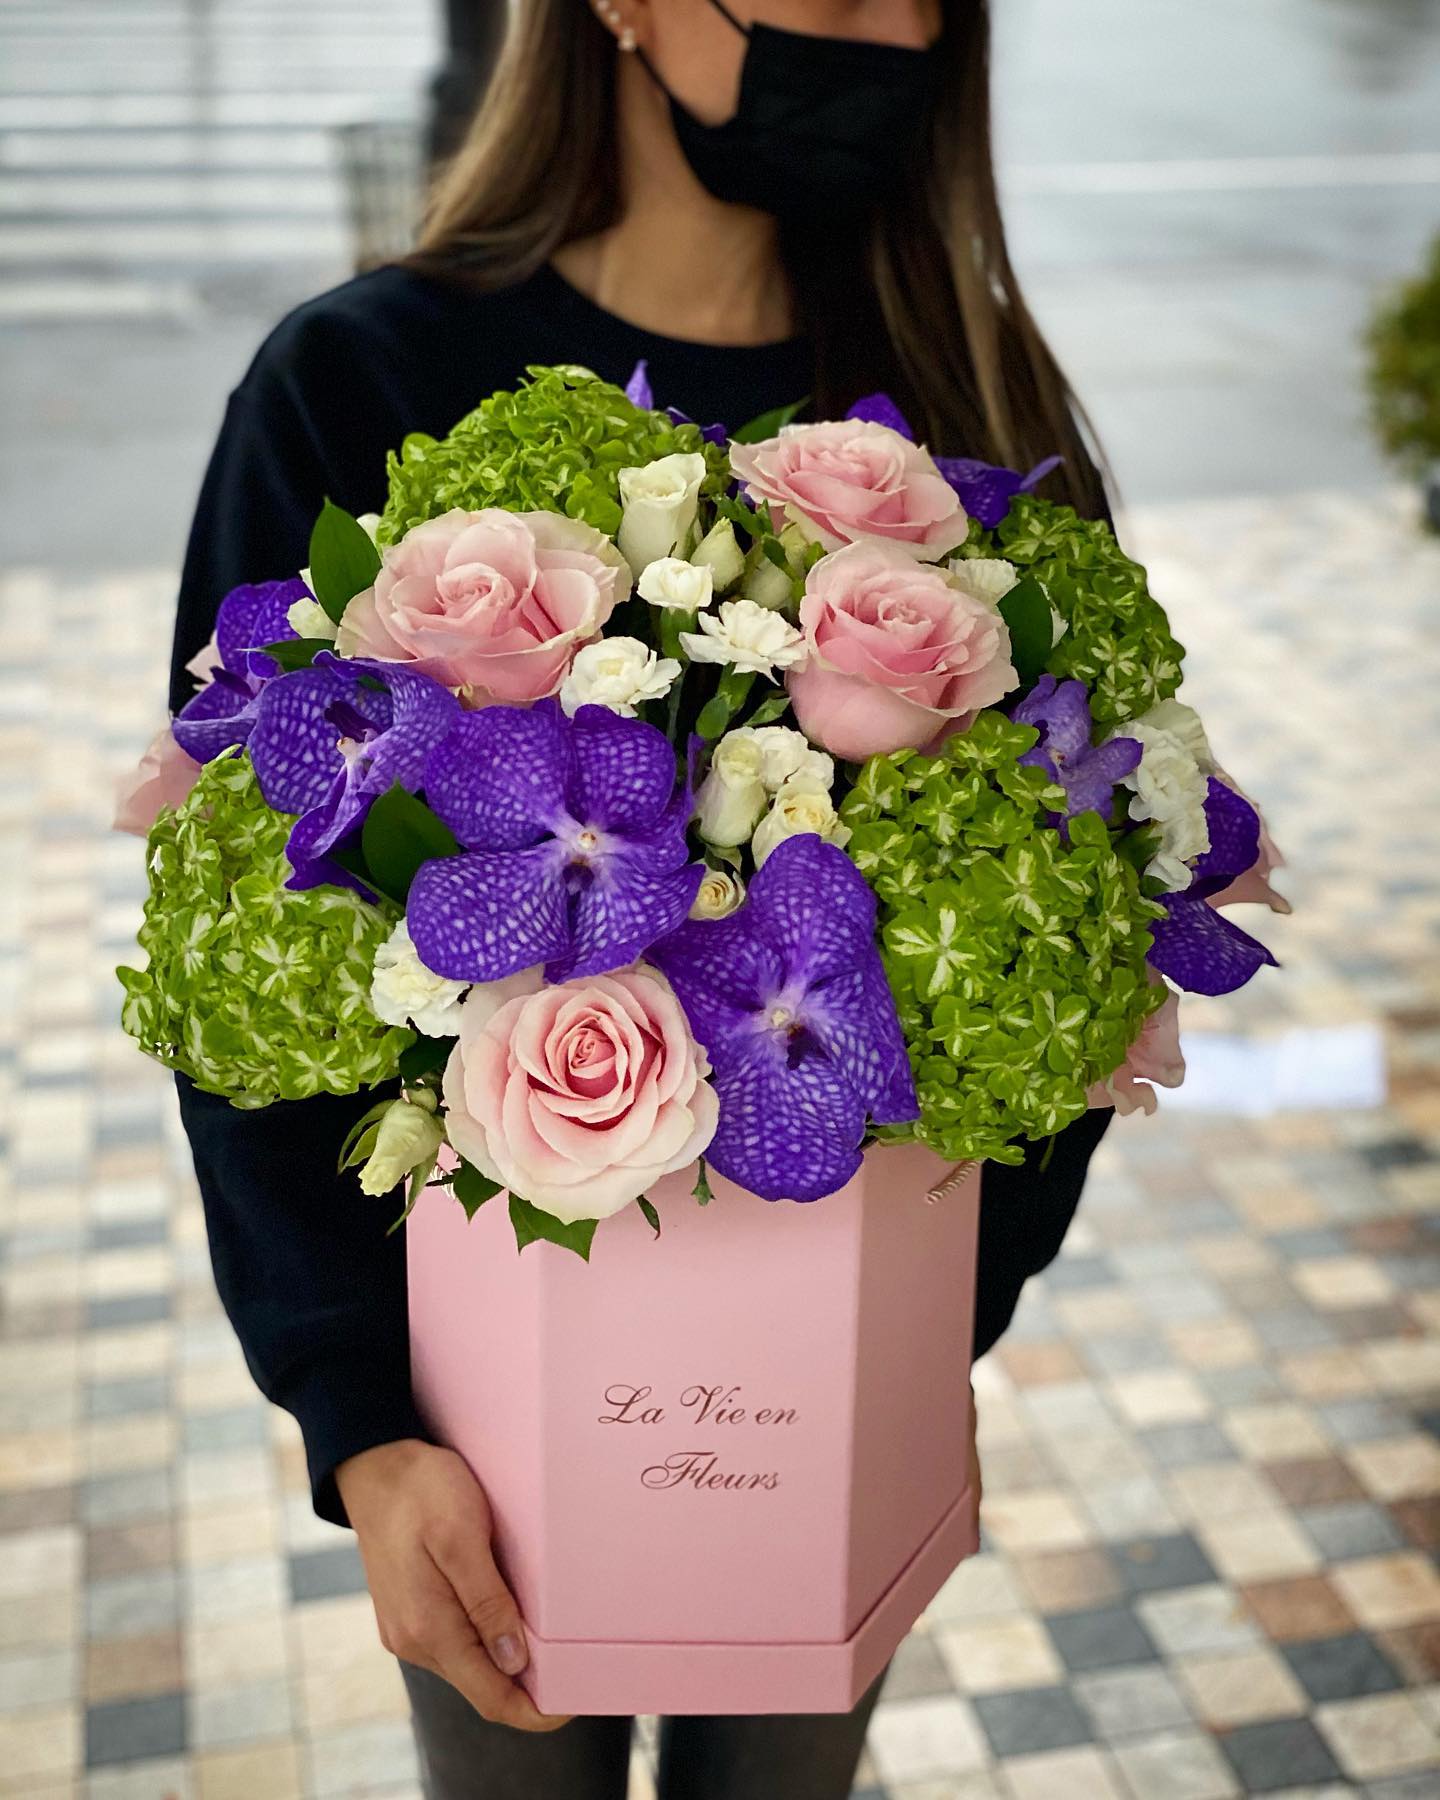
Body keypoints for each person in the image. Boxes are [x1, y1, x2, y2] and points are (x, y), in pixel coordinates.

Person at [170, 3, 1115, 1794]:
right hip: (482, 1423)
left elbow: (1088, 928)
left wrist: (934, 1332)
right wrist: (363, 1424)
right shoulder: (358, 380)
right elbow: (250, 949)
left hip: (838, 1391)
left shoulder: (963, 408)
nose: (887, 27)